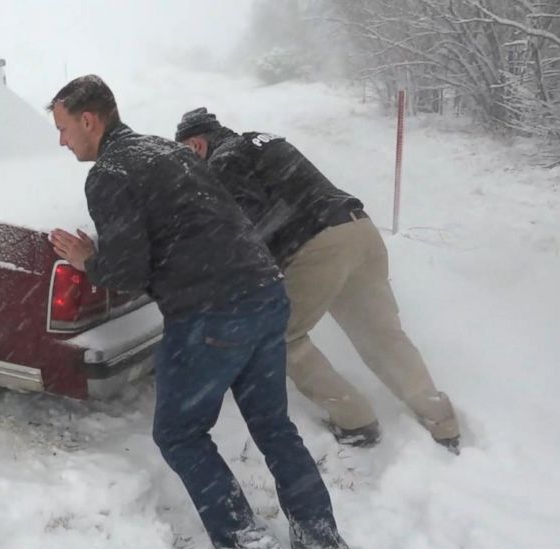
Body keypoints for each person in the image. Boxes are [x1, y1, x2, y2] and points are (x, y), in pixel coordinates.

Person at [48, 76, 350, 549]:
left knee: (179, 432)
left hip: (212, 312)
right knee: (273, 426)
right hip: (266, 293)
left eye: (63, 128)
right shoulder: (171, 154)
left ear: (89, 120)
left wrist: (89, 260)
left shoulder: (110, 173)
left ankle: (246, 543)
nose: (61, 140)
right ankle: (321, 540)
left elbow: (127, 270)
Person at [174, 107, 460, 451]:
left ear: (195, 144)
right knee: (382, 335)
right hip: (359, 229)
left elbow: (246, 225)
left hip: (320, 244)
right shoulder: (258, 141)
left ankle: (355, 420)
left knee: (279, 336)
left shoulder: (225, 160)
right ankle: (441, 422)